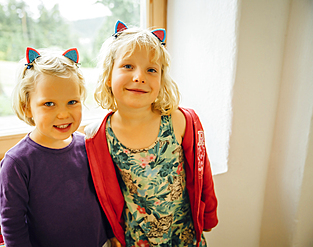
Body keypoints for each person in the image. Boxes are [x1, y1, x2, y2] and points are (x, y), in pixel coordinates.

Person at [85, 21, 218, 247]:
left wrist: (209, 216)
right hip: (136, 239)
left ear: (161, 80)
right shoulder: (98, 135)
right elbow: (103, 194)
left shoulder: (179, 121)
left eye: (151, 70)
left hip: (184, 235)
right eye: (128, 66)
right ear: (108, 76)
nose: (139, 77)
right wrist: (111, 234)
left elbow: (202, 172)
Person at [0, 47, 116, 247]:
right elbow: (12, 224)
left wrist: (111, 235)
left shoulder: (88, 145)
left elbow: (103, 199)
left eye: (72, 102)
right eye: (49, 104)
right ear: (27, 107)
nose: (63, 114)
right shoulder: (17, 163)